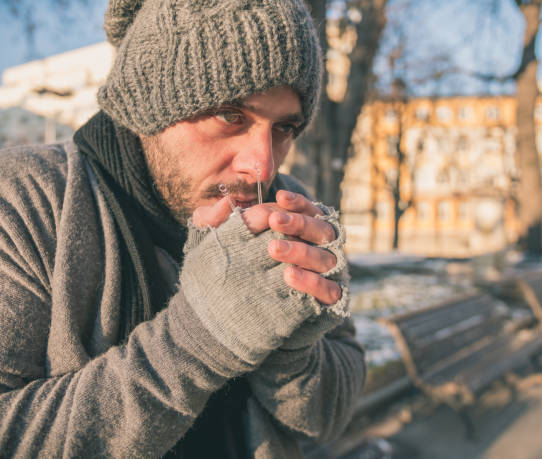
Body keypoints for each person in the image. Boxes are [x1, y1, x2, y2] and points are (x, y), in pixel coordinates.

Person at [0, 0, 366, 457]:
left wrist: (292, 353)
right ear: (150, 105)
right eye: (232, 116)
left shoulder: (289, 211)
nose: (262, 166)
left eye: (284, 127)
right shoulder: (25, 199)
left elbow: (328, 419)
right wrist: (197, 340)